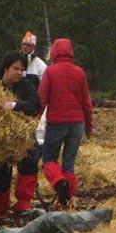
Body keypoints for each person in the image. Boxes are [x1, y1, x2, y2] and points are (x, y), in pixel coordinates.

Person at [38, 38, 93, 209]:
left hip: (57, 122)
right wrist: (89, 126)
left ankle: (58, 181)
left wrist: (32, 120)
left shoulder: (50, 72)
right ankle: (66, 202)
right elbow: (86, 102)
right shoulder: (80, 72)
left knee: (49, 159)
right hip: (77, 123)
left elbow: (41, 99)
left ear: (54, 52)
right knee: (69, 163)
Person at [0, 52, 42, 217]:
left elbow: (35, 104)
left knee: (30, 162)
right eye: (16, 68)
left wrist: (14, 106)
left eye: (22, 69)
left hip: (22, 135)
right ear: (6, 68)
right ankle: (0, 211)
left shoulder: (26, 86)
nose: (19, 72)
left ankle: (23, 206)